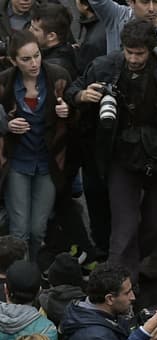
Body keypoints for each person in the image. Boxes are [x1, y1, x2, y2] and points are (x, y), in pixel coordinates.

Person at [69, 20, 157, 282]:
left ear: (150, 49)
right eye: (129, 52)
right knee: (123, 229)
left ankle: (128, 267)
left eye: (139, 53)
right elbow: (74, 89)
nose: (133, 58)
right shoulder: (105, 66)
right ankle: (119, 291)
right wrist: (83, 96)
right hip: (123, 157)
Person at [0, 32, 73, 263]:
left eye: (37, 56)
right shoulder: (5, 82)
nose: (34, 63)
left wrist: (68, 111)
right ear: (13, 61)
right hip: (17, 161)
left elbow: (77, 110)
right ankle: (20, 279)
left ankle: (30, 271)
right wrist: (7, 124)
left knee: (38, 229)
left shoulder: (58, 77)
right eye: (26, 59)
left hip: (48, 162)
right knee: (19, 230)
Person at [85, 0, 157, 57]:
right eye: (145, 2)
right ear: (130, 2)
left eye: (156, 2)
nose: (152, 8)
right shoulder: (116, 16)